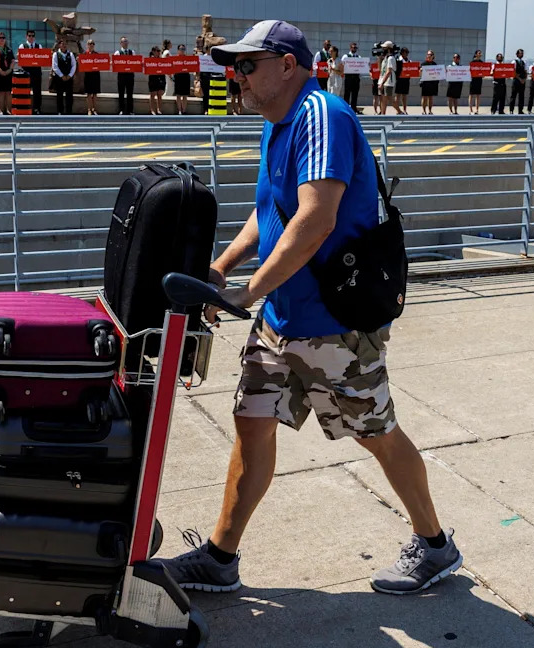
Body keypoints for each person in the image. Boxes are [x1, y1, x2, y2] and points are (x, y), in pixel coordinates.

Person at [157, 18, 462, 597]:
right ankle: (221, 557)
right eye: (233, 67)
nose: (235, 76)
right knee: (252, 426)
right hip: (281, 322)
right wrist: (224, 268)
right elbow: (270, 213)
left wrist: (250, 291)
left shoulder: (321, 116)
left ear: (287, 66)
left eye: (247, 65)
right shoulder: (278, 123)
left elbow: (316, 219)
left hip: (332, 326)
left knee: (378, 435)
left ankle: (436, 546)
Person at [18, 29, 43, 114]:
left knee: (37, 91)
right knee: (25, 91)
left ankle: (37, 108)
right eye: (29, 36)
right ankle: (25, 107)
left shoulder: (39, 46)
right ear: (26, 36)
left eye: (33, 36)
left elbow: (41, 58)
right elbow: (21, 59)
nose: (31, 37)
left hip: (36, 72)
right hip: (26, 72)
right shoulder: (22, 46)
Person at [51, 39, 76, 114]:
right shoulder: (56, 54)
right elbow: (54, 66)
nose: (64, 45)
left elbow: (74, 65)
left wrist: (69, 75)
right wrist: (61, 75)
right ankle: (60, 111)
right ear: (59, 45)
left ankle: (69, 112)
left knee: (69, 96)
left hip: (69, 78)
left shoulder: (70, 54)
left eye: (65, 44)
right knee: (59, 95)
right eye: (62, 44)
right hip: (59, 78)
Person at [115, 36, 136, 115]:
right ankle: (121, 109)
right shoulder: (117, 53)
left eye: (126, 41)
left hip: (130, 76)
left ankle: (130, 110)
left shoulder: (132, 52)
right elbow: (115, 64)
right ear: (121, 43)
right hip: (121, 76)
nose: (125, 43)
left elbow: (135, 63)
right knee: (121, 93)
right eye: (124, 41)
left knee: (130, 93)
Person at [376, 41, 396, 115]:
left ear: (388, 49)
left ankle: (400, 111)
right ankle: (383, 113)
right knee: (382, 98)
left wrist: (382, 82)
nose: (382, 49)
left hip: (388, 81)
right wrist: (378, 59)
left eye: (384, 48)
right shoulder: (385, 58)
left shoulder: (391, 58)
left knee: (389, 98)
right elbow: (380, 69)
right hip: (382, 80)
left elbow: (389, 71)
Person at [84, 39, 101, 114]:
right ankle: (89, 109)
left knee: (95, 93)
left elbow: (101, 64)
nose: (91, 45)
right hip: (88, 75)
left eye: (93, 44)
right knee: (88, 93)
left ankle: (94, 109)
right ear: (87, 45)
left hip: (95, 75)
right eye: (90, 43)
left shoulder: (97, 54)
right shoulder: (84, 54)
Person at [172, 43, 191, 114]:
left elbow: (192, 66)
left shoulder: (188, 58)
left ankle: (184, 110)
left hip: (185, 76)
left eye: (183, 49)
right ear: (178, 50)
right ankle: (179, 110)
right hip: (178, 76)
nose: (182, 51)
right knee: (178, 95)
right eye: (181, 49)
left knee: (185, 95)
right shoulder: (175, 58)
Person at [342, 42, 361, 110]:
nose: (354, 49)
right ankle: (346, 108)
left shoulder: (359, 57)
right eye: (353, 47)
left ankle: (353, 108)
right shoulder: (346, 56)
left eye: (356, 48)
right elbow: (342, 65)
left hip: (356, 78)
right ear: (350, 48)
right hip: (348, 78)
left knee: (355, 94)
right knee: (347, 94)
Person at [419, 49, 438, 115]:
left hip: (432, 83)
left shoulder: (435, 64)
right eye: (428, 54)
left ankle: (430, 110)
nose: (429, 56)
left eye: (430, 55)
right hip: (425, 83)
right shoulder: (423, 64)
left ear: (433, 56)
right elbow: (419, 74)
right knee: (424, 98)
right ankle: (424, 110)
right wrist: (420, 71)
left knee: (431, 98)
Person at [393, 47, 411, 114]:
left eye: (406, 52)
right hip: (399, 80)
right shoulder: (398, 59)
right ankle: (397, 110)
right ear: (402, 53)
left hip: (406, 80)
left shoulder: (409, 61)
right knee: (397, 95)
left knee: (404, 96)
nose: (405, 54)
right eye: (404, 52)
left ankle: (404, 109)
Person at [147, 46, 165, 114]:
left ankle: (159, 109)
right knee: (152, 94)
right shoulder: (149, 60)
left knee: (159, 94)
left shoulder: (161, 59)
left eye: (159, 51)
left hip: (160, 77)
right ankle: (152, 110)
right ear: (153, 52)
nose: (158, 53)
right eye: (157, 51)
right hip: (152, 77)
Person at [467, 49, 484, 114]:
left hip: (479, 80)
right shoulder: (472, 62)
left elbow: (484, 71)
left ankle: (477, 109)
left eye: (480, 53)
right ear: (476, 54)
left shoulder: (482, 63)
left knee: (478, 95)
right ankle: (470, 110)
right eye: (479, 53)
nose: (480, 54)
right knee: (471, 95)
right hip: (473, 80)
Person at [509, 48, 526, 114]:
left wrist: (524, 79)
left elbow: (525, 71)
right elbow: (513, 72)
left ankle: (520, 110)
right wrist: (519, 79)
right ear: (517, 54)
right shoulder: (514, 62)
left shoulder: (523, 62)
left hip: (522, 81)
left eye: (522, 53)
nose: (521, 54)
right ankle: (511, 110)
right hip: (516, 81)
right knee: (513, 96)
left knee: (521, 96)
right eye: (520, 53)